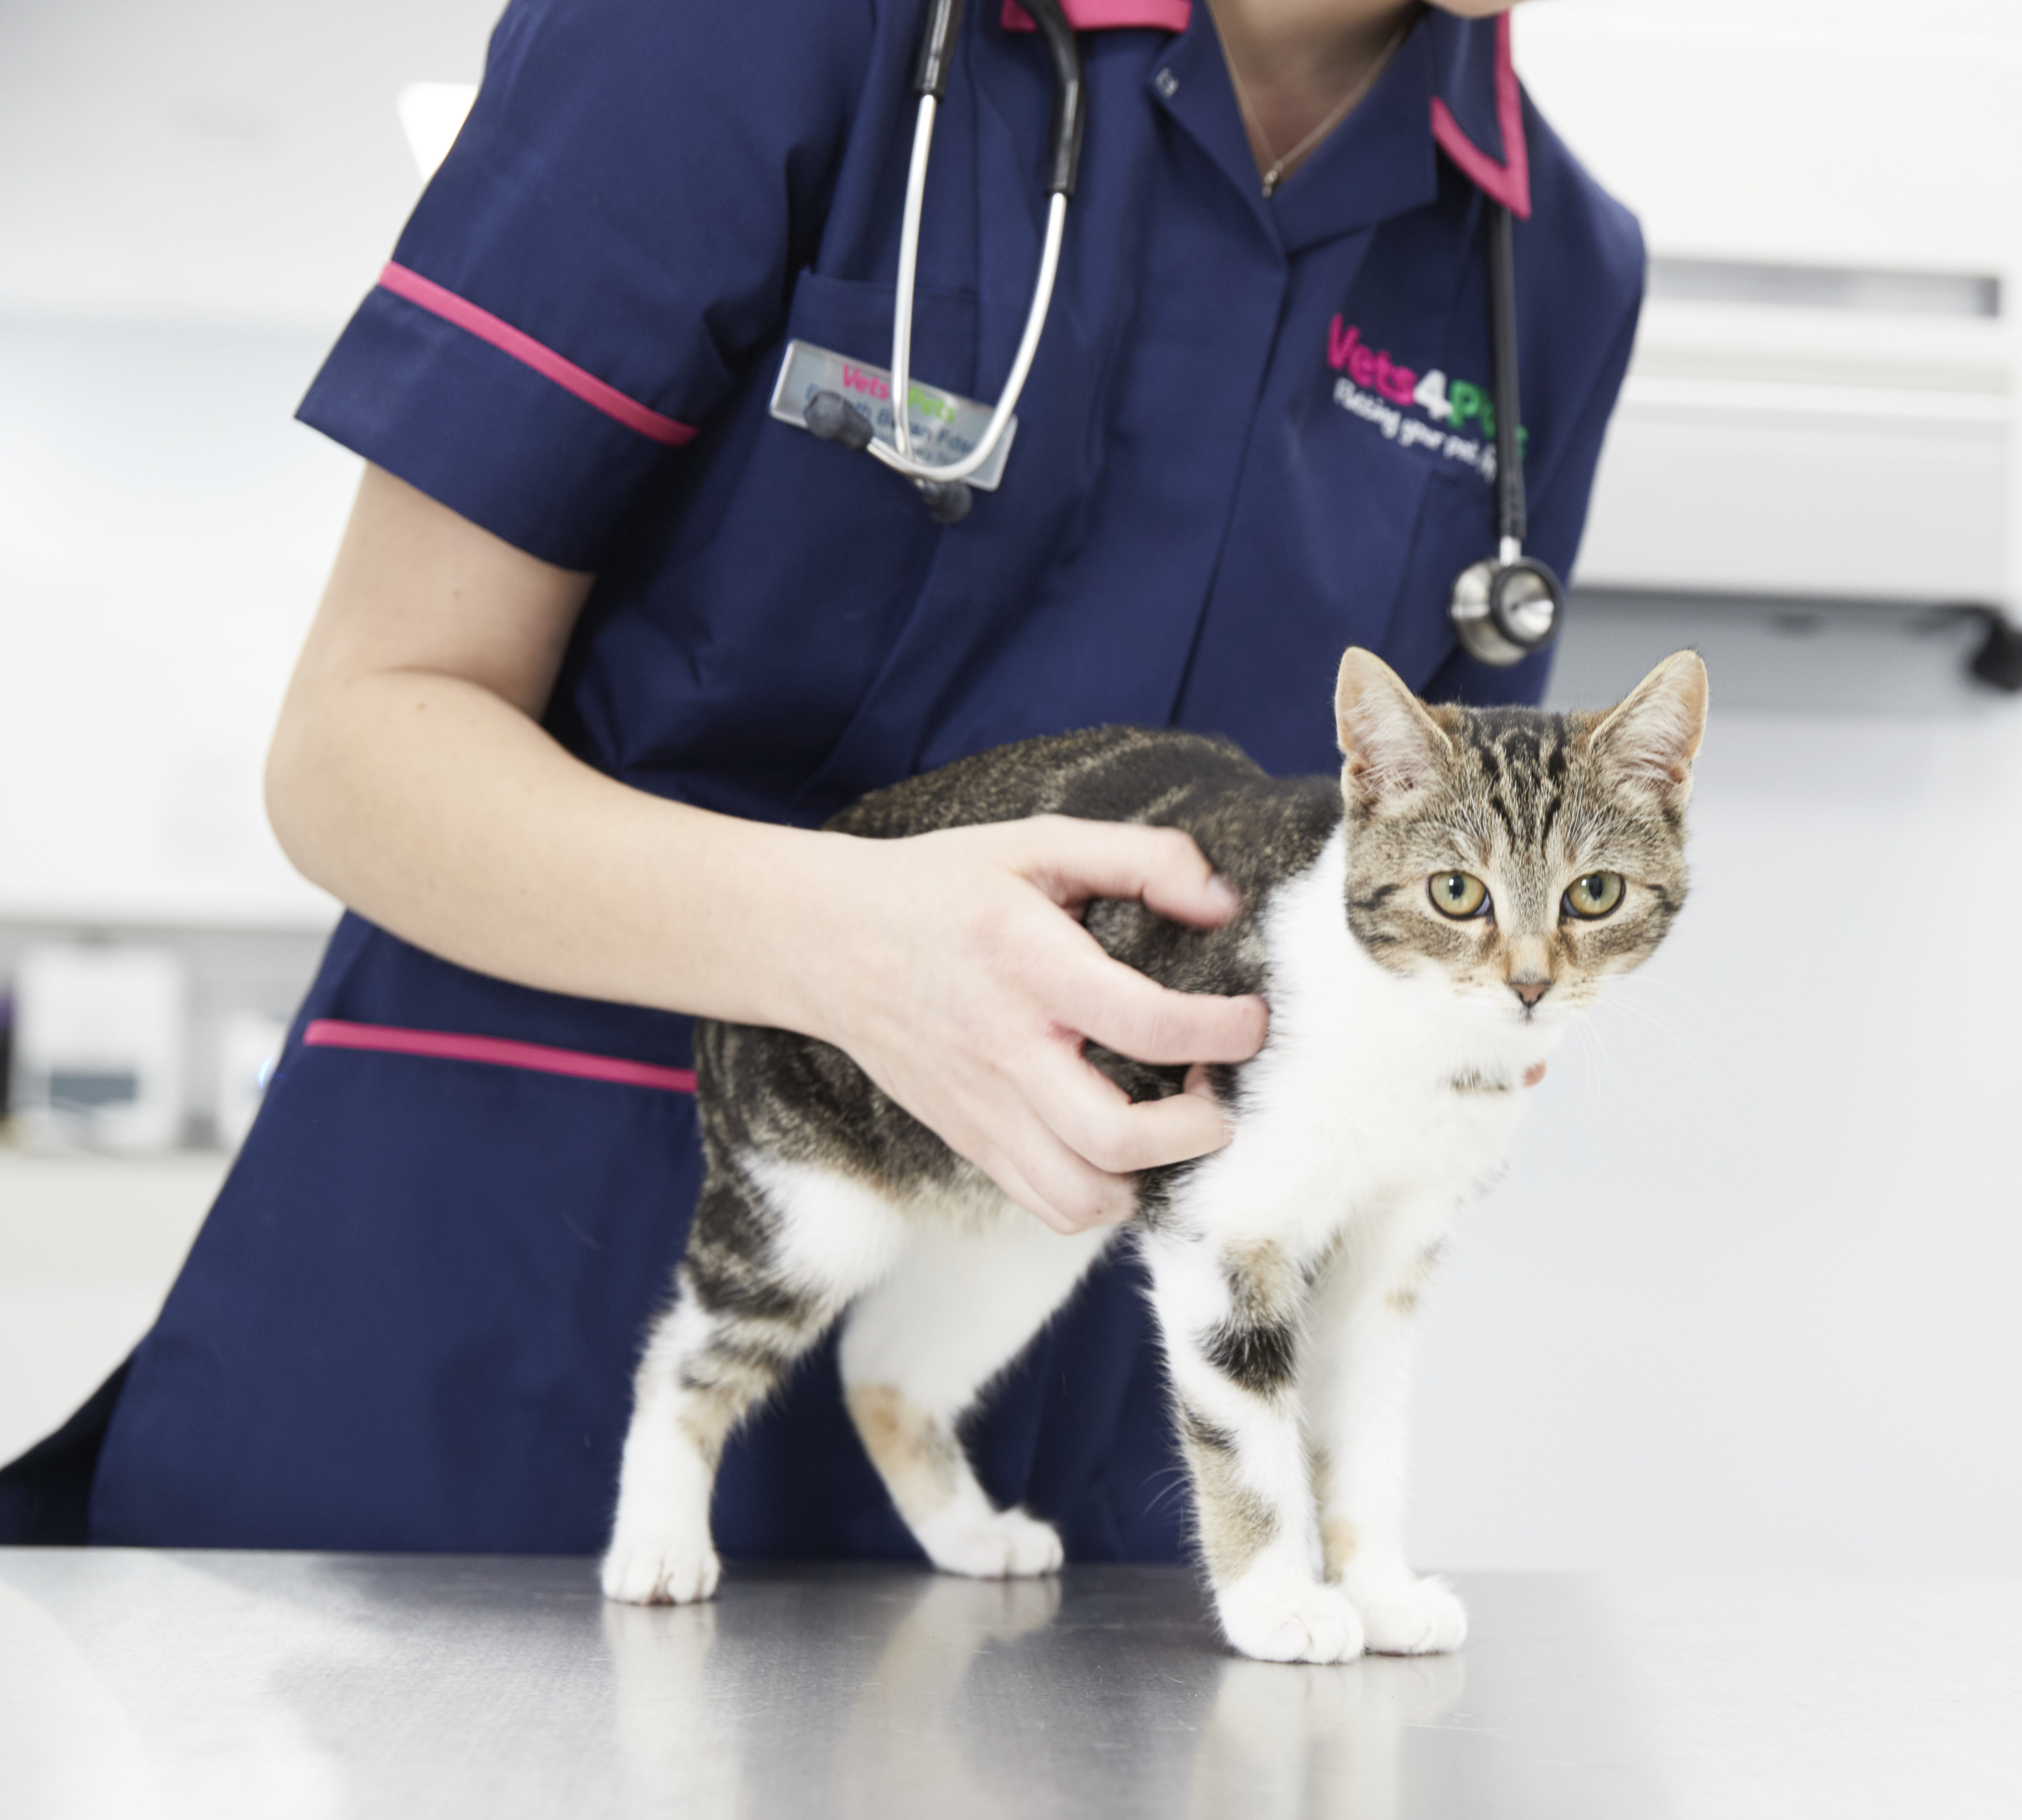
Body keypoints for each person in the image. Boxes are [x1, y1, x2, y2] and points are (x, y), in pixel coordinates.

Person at [0, 0, 1643, 1560]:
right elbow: (356, 748)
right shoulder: (762, 29)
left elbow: (1402, 880)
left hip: (1055, 1476)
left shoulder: (1547, 266)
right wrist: (852, 949)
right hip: (498, 1377)